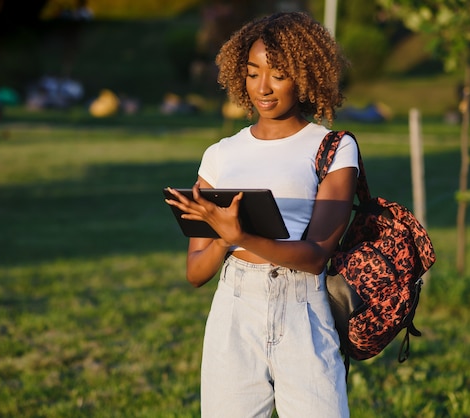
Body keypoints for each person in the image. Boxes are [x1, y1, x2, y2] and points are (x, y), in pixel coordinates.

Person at [164, 11, 358, 418]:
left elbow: (315, 256)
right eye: (253, 74)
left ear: (304, 76)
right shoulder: (219, 155)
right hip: (234, 311)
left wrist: (241, 236)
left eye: (278, 74)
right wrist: (222, 238)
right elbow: (196, 273)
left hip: (302, 310)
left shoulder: (333, 148)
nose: (263, 88)